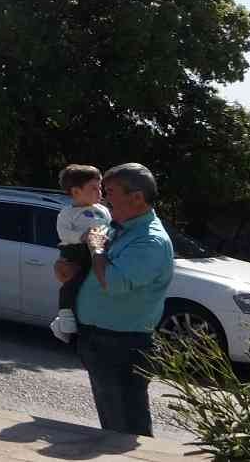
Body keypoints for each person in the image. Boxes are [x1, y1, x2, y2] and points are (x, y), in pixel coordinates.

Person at [55, 163, 175, 437]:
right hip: (102, 340)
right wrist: (66, 268)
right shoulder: (119, 227)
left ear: (136, 198)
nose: (105, 198)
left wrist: (96, 248)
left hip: (122, 345)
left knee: (126, 427)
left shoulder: (150, 241)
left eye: (110, 192)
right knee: (114, 420)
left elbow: (112, 281)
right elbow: (91, 267)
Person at [50, 164, 113, 342]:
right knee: (74, 283)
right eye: (93, 188)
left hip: (99, 250)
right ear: (76, 192)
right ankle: (65, 318)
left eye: (99, 187)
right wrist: (82, 236)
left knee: (93, 284)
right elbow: (64, 234)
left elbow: (110, 227)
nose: (99, 192)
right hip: (76, 253)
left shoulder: (103, 210)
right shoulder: (67, 214)